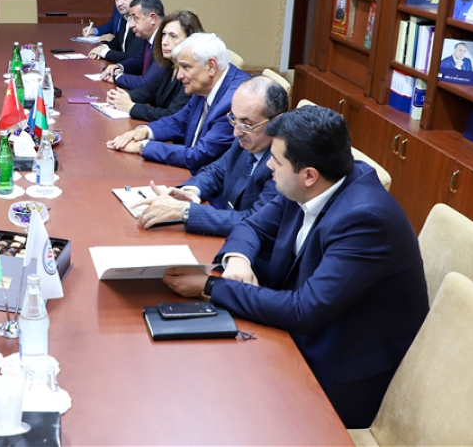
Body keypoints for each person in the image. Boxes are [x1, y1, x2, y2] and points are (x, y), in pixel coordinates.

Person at [160, 106, 429, 428]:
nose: (268, 166)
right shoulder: (313, 181)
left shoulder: (365, 220)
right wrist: (238, 259)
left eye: (276, 160)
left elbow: (304, 310)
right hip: (298, 334)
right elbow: (252, 226)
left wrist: (209, 285)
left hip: (340, 373)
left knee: (224, 411)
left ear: (309, 175)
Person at [132, 76, 289, 235]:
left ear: (277, 121)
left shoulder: (284, 164)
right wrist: (191, 191)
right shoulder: (247, 138)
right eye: (234, 119)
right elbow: (216, 171)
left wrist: (185, 211)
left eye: (246, 124)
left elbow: (254, 221)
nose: (236, 132)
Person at [107, 33, 250, 175]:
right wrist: (143, 131)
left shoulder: (235, 100)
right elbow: (178, 121)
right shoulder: (205, 85)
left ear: (211, 66)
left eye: (186, 67)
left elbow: (199, 155)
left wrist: (142, 147)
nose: (179, 75)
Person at [104, 10, 203, 121]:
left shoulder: (192, 75)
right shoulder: (169, 66)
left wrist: (131, 107)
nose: (164, 42)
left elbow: (173, 115)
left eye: (173, 36)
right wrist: (121, 97)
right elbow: (149, 91)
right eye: (164, 35)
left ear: (190, 40)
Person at [99, 0, 167, 90]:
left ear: (152, 18)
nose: (131, 25)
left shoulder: (165, 42)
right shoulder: (149, 36)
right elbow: (138, 60)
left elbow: (146, 83)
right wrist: (119, 67)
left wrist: (117, 77)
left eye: (135, 18)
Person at [87, 0, 146, 68]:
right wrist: (103, 47)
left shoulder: (144, 21)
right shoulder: (125, 16)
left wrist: (104, 52)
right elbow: (117, 41)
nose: (118, 3)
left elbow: (131, 57)